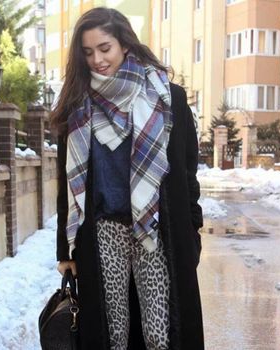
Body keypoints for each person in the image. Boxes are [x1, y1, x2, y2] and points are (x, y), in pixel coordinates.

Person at [51, 7, 204, 350]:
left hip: (156, 230)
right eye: (88, 52)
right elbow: (67, 184)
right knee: (113, 336)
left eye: (104, 48)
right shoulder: (78, 105)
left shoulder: (167, 97)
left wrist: (192, 229)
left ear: (124, 44)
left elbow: (186, 171)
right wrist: (65, 249)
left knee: (161, 334)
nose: (97, 60)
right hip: (104, 230)